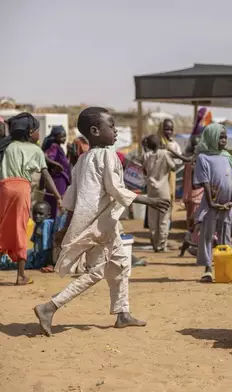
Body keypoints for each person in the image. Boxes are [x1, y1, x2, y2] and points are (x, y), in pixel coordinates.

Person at [33, 107, 170, 336]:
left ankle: (123, 313)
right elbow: (115, 188)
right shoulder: (107, 155)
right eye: (112, 126)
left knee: (120, 266)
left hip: (104, 224)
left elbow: (71, 198)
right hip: (99, 226)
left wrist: (66, 227)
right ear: (95, 131)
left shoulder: (82, 160)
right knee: (97, 271)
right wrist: (147, 200)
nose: (116, 131)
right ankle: (50, 307)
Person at [0, 112, 62, 285]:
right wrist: (58, 197)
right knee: (19, 227)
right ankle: (21, 276)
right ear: (29, 132)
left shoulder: (7, 146)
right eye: (37, 131)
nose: (39, 134)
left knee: (2, 226)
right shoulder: (35, 150)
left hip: (4, 188)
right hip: (21, 188)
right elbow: (46, 176)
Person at [194, 123, 232, 283]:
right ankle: (208, 268)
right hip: (211, 203)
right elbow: (204, 181)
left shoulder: (227, 156)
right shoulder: (203, 158)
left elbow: (231, 178)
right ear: (211, 137)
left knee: (225, 234)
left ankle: (225, 268)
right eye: (220, 137)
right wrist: (212, 203)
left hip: (228, 204)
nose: (224, 140)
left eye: (225, 137)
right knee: (208, 235)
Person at [142, 135, 175, 252]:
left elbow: (144, 169)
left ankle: (155, 244)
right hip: (163, 191)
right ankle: (162, 245)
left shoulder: (146, 156)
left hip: (151, 191)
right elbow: (174, 167)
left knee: (152, 219)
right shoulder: (165, 154)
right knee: (164, 219)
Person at [41, 125, 71, 219]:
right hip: (57, 180)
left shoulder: (59, 147)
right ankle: (53, 225)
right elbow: (45, 157)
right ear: (55, 137)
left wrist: (69, 153)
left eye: (65, 136)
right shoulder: (54, 147)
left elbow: (64, 161)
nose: (64, 138)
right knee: (57, 205)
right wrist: (56, 164)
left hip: (62, 180)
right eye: (62, 136)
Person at [157, 118, 182, 207]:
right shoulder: (157, 142)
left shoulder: (174, 144)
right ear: (161, 129)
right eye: (166, 129)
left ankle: (169, 217)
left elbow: (179, 156)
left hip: (171, 172)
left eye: (171, 129)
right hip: (159, 173)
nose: (169, 132)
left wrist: (170, 152)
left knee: (171, 193)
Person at [26, 201, 55, 271]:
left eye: (40, 214)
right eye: (35, 213)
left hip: (45, 258)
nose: (37, 216)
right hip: (38, 256)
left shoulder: (46, 223)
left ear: (48, 215)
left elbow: (47, 246)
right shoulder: (37, 224)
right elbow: (35, 242)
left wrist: (49, 264)